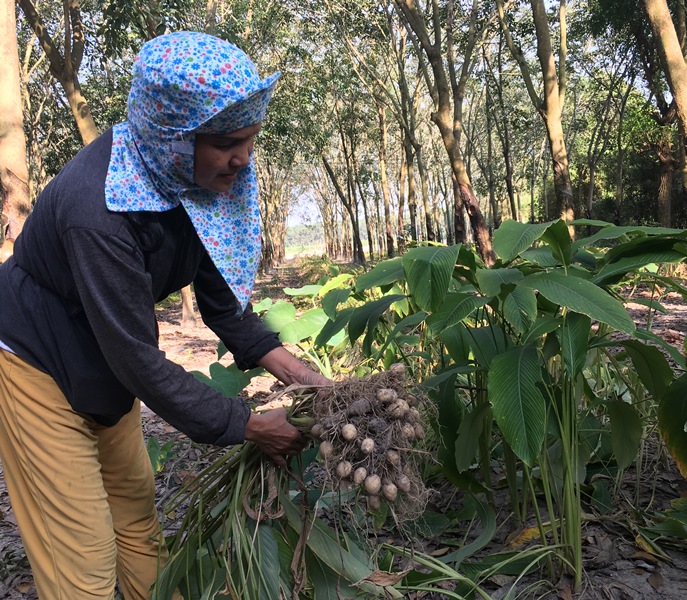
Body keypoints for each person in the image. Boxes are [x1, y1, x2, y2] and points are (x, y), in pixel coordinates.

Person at [0, 31, 328, 599]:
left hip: (102, 356)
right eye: (228, 142)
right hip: (33, 362)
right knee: (84, 563)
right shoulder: (98, 211)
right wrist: (246, 425)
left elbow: (225, 306)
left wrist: (307, 379)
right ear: (175, 138)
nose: (242, 158)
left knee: (138, 527)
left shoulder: (201, 181)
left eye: (251, 139)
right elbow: (137, 358)